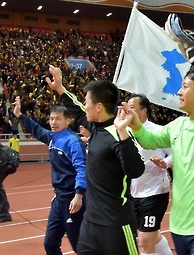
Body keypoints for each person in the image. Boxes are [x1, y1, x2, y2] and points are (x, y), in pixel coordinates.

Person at [118, 38, 194, 253]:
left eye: (185, 87)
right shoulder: (177, 126)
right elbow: (149, 140)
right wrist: (136, 125)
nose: (179, 92)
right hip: (180, 226)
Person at [46, 65, 144, 255]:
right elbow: (76, 108)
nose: (85, 104)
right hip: (91, 223)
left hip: (116, 223)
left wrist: (123, 131)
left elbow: (136, 170)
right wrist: (60, 89)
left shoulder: (119, 133)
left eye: (87, 101)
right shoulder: (95, 126)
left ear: (98, 106)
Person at [13, 97, 86, 255]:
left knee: (80, 247)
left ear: (68, 121)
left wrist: (79, 195)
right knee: (50, 244)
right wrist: (19, 115)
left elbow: (82, 168)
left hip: (73, 200)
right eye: (51, 119)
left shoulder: (73, 141)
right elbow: (37, 130)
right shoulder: (53, 137)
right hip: (58, 201)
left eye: (58, 119)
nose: (53, 122)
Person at [127, 93, 173, 255]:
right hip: (134, 192)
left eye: (132, 108)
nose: (128, 111)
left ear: (144, 110)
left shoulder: (158, 131)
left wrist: (165, 163)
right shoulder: (124, 132)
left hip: (155, 191)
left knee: (144, 242)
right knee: (153, 236)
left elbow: (175, 153)